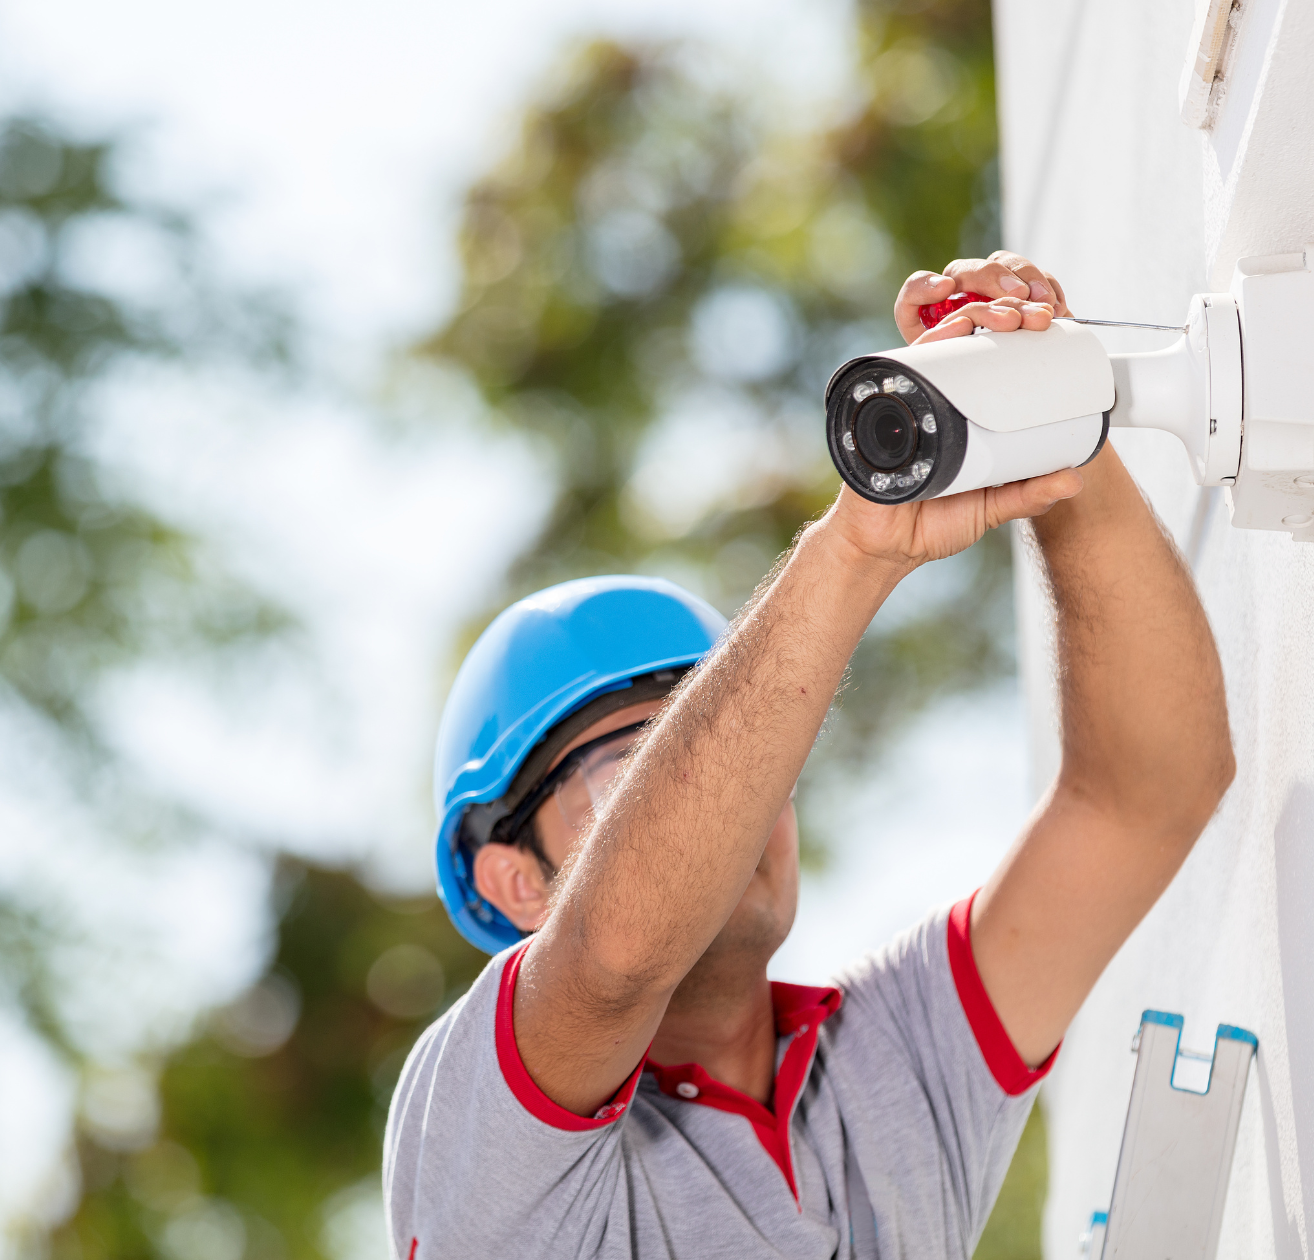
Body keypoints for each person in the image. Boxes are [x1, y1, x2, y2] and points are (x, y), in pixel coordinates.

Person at [385, 252, 1234, 1258]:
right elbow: (613, 959)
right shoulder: (484, 1139)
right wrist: (855, 545)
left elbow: (1144, 797)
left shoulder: (890, 1065)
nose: (730, 809)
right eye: (636, 773)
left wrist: (1046, 426)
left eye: (738, 757)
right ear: (515, 882)